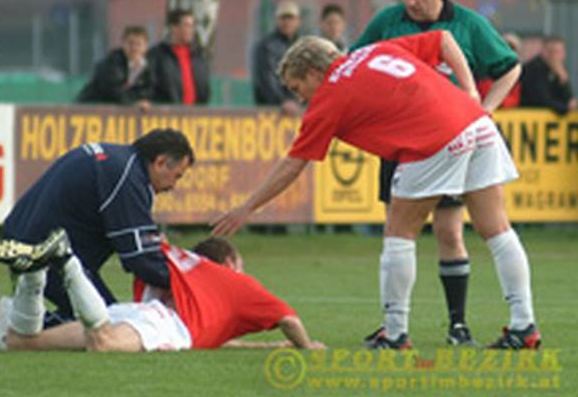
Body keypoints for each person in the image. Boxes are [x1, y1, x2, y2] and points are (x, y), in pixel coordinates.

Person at [212, 31, 541, 351]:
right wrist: (470, 91)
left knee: (399, 233)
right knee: (497, 229)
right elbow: (443, 39)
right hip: (477, 123)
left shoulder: (329, 96)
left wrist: (247, 207)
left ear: (313, 72)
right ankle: (524, 326)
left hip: (434, 139)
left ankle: (395, 333)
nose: (300, 98)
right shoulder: (375, 50)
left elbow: (293, 164)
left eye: (298, 88)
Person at [349, 0, 521, 346]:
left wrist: (485, 109)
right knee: (396, 233)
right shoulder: (387, 22)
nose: (410, 1)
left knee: (449, 231)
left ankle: (457, 326)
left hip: (450, 144)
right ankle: (394, 325)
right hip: (399, 144)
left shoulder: (468, 25)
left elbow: (510, 67)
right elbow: (354, 64)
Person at [0, 128, 194, 328]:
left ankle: (21, 320)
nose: (173, 186)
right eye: (177, 176)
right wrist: (186, 283)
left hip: (24, 234)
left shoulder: (119, 160)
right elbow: (140, 259)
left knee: (101, 317)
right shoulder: (128, 177)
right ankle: (15, 327)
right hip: (49, 253)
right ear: (160, 162)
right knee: (107, 326)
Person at [0, 233, 323, 352]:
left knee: (24, 343)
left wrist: (268, 346)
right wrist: (306, 346)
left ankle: (33, 276)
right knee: (103, 344)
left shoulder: (187, 265)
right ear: (229, 263)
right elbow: (289, 319)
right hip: (166, 324)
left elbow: (220, 341)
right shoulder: (236, 283)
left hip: (133, 312)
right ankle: (66, 260)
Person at [77, 26, 154, 111]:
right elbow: (114, 90)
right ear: (123, 44)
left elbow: (148, 90)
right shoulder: (112, 62)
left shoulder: (147, 66)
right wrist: (134, 103)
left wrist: (142, 100)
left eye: (139, 44)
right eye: (130, 43)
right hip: (90, 107)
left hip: (116, 111)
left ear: (146, 46)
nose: (134, 48)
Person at [145, 9, 210, 106]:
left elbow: (204, 85)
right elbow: (149, 84)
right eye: (187, 25)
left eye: (192, 26)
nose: (191, 30)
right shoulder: (157, 55)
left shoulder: (198, 55)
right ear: (174, 27)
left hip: (196, 112)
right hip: (168, 112)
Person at [252, 0, 303, 116]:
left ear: (298, 21)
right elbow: (266, 79)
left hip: (300, 109)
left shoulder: (304, 45)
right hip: (271, 111)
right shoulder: (266, 46)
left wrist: (298, 101)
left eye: (290, 18)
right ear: (276, 20)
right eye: (283, 18)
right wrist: (283, 101)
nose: (287, 22)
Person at [520, 35, 577, 115]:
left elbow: (568, 99)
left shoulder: (559, 69)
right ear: (545, 52)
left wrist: (564, 79)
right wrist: (566, 108)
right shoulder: (534, 69)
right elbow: (542, 100)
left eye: (561, 52)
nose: (558, 56)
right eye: (554, 52)